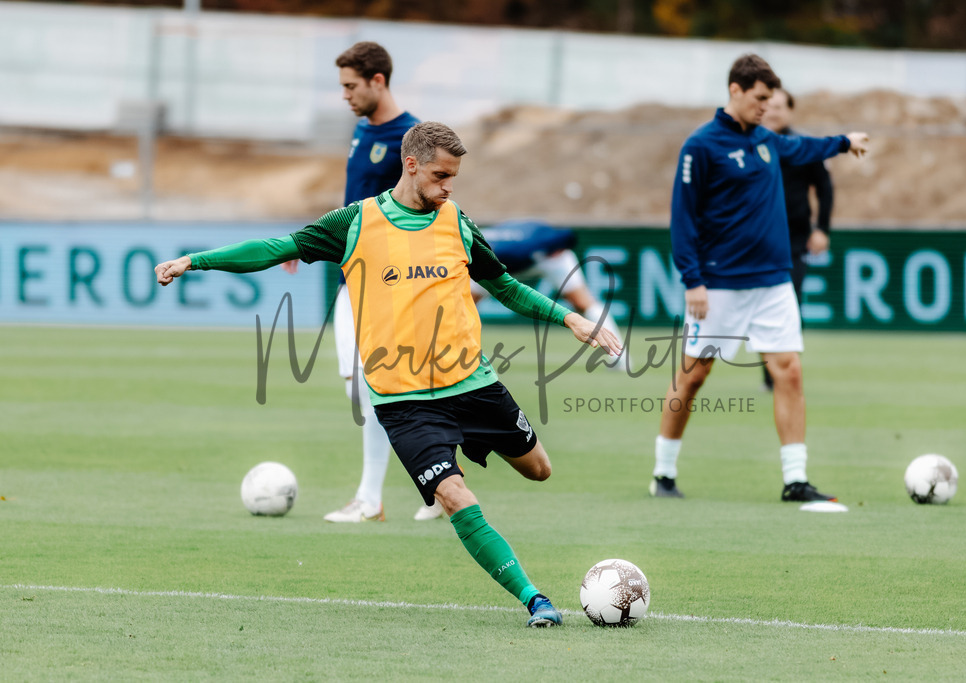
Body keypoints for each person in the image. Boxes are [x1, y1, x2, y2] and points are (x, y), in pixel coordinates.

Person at [155, 121, 622, 628]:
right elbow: (275, 249)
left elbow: (504, 286)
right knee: (453, 496)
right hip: (403, 402)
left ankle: (477, 461)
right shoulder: (355, 223)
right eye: (441, 175)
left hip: (474, 384)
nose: (448, 187)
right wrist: (194, 260)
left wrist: (568, 316)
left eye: (455, 178)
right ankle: (535, 600)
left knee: (539, 470)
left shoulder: (457, 223)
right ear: (412, 164)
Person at [650, 54, 868, 502]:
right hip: (719, 286)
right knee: (692, 377)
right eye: (761, 98)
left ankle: (795, 480)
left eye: (770, 99)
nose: (766, 106)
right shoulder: (701, 145)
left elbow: (804, 149)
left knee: (789, 373)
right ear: (736, 90)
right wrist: (693, 280)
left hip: (772, 282)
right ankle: (663, 473)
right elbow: (683, 218)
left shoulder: (767, 140)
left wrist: (844, 142)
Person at [283, 41, 430, 524]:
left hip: (390, 285)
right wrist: (309, 243)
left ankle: (371, 499)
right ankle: (444, 480)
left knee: (372, 386)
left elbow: (430, 208)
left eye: (350, 86)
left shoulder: (412, 137)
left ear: (377, 81)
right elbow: (355, 205)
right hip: (354, 280)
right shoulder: (362, 129)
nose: (344, 95)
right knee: (370, 387)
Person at [758, 88, 834, 392]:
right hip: (753, 243)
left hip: (794, 242)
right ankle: (768, 372)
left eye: (780, 106)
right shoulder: (746, 147)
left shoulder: (803, 147)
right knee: (758, 309)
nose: (774, 112)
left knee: (789, 307)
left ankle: (783, 371)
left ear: (790, 111)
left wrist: (823, 229)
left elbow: (826, 189)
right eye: (769, 106)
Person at [472, 220, 626, 365]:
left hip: (543, 258)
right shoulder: (489, 246)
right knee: (466, 302)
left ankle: (619, 356)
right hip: (493, 261)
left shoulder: (551, 248)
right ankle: (465, 355)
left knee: (584, 303)